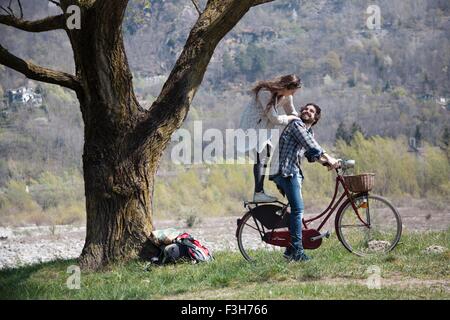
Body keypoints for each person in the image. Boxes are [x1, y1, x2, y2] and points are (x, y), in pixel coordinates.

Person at [270, 103, 340, 262]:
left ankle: (289, 251)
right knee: (298, 210)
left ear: (315, 118)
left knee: (296, 211)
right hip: (286, 171)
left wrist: (326, 162)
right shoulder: (296, 124)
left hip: (292, 172)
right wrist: (329, 157)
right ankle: (297, 251)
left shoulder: (309, 131)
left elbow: (311, 154)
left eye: (312, 111)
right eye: (306, 109)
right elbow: (310, 144)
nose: (307, 111)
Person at [239, 74, 302, 203]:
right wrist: (292, 118)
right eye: (293, 90)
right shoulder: (265, 93)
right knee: (262, 156)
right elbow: (275, 118)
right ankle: (258, 193)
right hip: (252, 125)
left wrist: (301, 123)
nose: (293, 94)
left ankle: (260, 191)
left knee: (265, 155)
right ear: (286, 87)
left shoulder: (286, 96)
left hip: (265, 127)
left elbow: (292, 113)